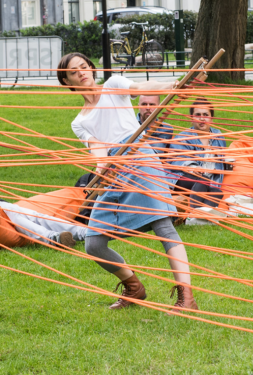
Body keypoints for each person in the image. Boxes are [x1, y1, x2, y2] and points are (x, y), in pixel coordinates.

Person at [57, 52, 199, 312]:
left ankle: (187, 298)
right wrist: (102, 169)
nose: (81, 72)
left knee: (163, 227)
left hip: (140, 160)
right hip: (114, 170)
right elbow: (98, 150)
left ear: (92, 68)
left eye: (84, 66)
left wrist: (173, 85)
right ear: (66, 81)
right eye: (73, 71)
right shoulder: (79, 122)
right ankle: (134, 288)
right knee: (94, 243)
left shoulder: (113, 86)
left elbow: (141, 88)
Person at [170, 98, 227, 212]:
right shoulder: (182, 138)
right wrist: (193, 168)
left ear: (211, 118)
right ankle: (194, 213)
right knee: (203, 181)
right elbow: (177, 160)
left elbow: (222, 160)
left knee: (217, 192)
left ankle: (200, 216)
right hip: (184, 179)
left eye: (205, 114)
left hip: (209, 181)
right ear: (191, 118)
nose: (202, 118)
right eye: (198, 115)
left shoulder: (218, 136)